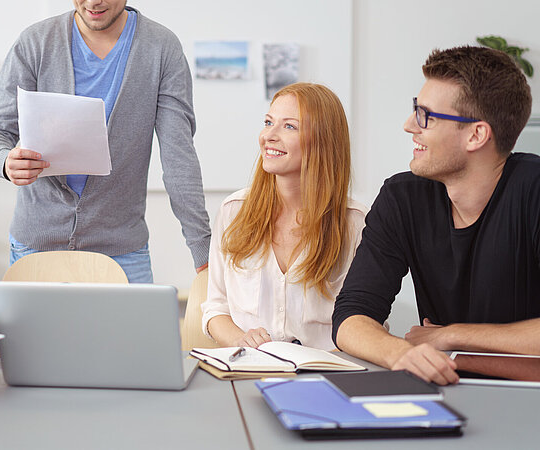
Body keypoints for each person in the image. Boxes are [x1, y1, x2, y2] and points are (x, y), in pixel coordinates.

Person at [333, 46, 538, 385]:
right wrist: (402, 354)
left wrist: (453, 336)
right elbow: (351, 317)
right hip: (445, 391)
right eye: (416, 110)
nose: (409, 125)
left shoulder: (534, 191)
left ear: (476, 135)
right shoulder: (402, 197)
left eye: (426, 115)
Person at [0, 0, 211, 282]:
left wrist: (204, 250)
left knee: (132, 329)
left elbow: (179, 157)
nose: (92, 2)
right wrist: (5, 161)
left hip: (122, 249)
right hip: (36, 247)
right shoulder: (36, 41)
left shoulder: (161, 48)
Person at [201, 83, 367, 351]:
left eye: (289, 126)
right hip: (249, 370)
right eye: (268, 122)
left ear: (323, 140)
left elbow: (367, 321)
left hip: (326, 375)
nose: (269, 136)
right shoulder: (233, 211)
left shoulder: (356, 223)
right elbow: (215, 307)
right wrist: (239, 340)